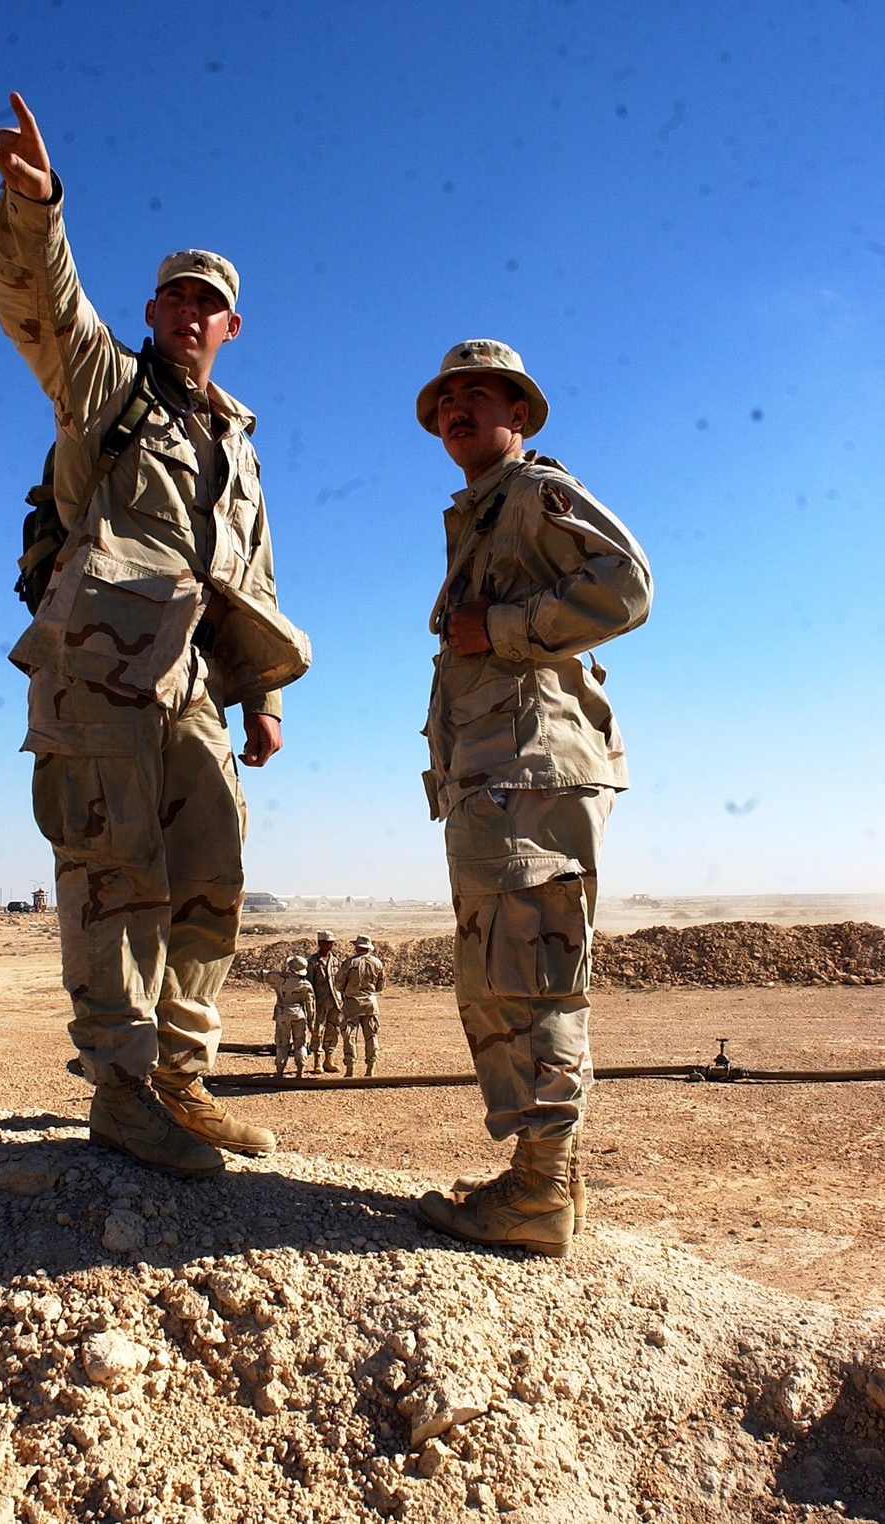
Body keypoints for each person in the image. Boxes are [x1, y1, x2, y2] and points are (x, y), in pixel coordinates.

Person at [0, 94, 310, 1179]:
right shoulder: (107, 387)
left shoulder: (239, 447)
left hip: (192, 684)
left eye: (205, 301)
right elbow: (46, 308)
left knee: (212, 869)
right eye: (171, 294)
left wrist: (261, 695)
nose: (185, 310)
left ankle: (179, 1079)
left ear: (230, 326)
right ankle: (120, 1090)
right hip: (99, 674)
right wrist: (37, 211)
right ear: (153, 308)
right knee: (115, 873)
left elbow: (249, 574)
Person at [413, 340, 652, 1256]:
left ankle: (542, 1193)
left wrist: (505, 628)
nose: (461, 411)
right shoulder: (478, 514)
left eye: (482, 397)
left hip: (532, 777)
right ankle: (541, 1181)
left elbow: (628, 585)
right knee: (501, 977)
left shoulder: (531, 494)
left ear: (520, 414)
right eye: (449, 402)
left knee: (533, 979)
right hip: (496, 780)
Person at [335, 936, 386, 1077]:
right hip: (370, 1004)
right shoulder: (377, 963)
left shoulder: (349, 963)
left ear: (358, 947)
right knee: (371, 1036)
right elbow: (381, 986)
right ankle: (370, 1068)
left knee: (349, 1036)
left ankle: (350, 1069)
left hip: (352, 1004)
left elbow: (339, 984)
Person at [262, 956, 314, 1079]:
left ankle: (280, 1071)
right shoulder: (307, 985)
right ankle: (300, 1070)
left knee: (282, 1043)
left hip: (283, 1015)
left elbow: (261, 975)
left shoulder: (279, 979)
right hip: (299, 1016)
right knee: (300, 1043)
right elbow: (310, 1007)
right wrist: (311, 1023)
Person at [305, 930, 343, 1073]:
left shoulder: (336, 961)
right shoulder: (312, 962)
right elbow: (308, 984)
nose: (330, 945)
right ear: (320, 944)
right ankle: (317, 1062)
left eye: (332, 942)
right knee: (317, 1032)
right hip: (319, 1003)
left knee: (333, 1030)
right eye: (327, 943)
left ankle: (329, 1060)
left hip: (335, 1002)